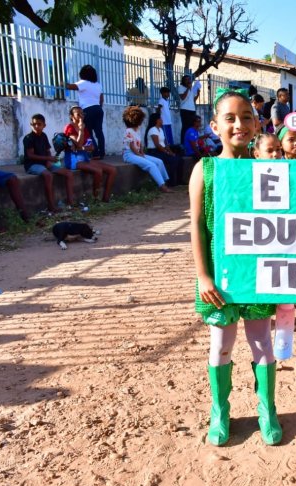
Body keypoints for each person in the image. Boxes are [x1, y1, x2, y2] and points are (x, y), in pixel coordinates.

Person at [189, 89, 283, 447]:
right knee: (221, 346)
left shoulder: (268, 170)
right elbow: (197, 224)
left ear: (257, 123)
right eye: (229, 118)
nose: (239, 124)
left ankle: (267, 408)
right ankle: (220, 410)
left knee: (262, 341)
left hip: (258, 275)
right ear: (215, 126)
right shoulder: (205, 169)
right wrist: (203, 275)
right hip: (220, 278)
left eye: (246, 117)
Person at [64, 106, 117, 202]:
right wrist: (80, 130)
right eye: (78, 114)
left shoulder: (85, 128)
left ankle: (106, 198)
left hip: (84, 157)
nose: (81, 116)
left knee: (112, 170)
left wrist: (82, 146)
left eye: (82, 114)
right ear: (72, 116)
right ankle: (96, 198)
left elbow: (91, 147)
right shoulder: (69, 127)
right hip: (73, 159)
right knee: (98, 171)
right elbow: (80, 144)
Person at [23, 113, 75, 211]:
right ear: (31, 125)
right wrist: (48, 159)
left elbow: (47, 150)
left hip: (44, 163)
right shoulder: (28, 138)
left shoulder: (44, 136)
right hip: (32, 165)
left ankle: (70, 202)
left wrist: (50, 159)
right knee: (48, 175)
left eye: (39, 124)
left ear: (44, 125)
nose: (36, 126)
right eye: (34, 124)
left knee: (69, 173)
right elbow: (30, 155)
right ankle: (51, 206)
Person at [121, 106, 172, 193]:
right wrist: (139, 154)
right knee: (151, 165)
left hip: (137, 153)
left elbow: (139, 143)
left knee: (159, 161)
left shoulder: (137, 130)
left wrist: (141, 152)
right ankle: (162, 186)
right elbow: (132, 146)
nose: (142, 121)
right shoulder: (128, 131)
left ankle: (165, 182)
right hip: (129, 155)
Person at [66, 65, 105, 159]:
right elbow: (101, 99)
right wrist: (98, 107)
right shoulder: (98, 85)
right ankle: (102, 152)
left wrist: (63, 83)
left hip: (87, 109)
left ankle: (95, 153)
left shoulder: (83, 83)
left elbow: (70, 87)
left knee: (89, 132)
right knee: (99, 132)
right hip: (98, 109)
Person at [146, 113, 184, 186]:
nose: (162, 120)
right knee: (173, 160)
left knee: (179, 159)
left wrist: (170, 152)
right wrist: (167, 152)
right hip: (155, 152)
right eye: (161, 119)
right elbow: (157, 145)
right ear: (157, 120)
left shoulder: (160, 129)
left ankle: (179, 181)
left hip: (162, 151)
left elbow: (165, 144)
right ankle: (170, 182)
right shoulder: (153, 130)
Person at [178, 75, 201, 140]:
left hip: (192, 109)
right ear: (183, 81)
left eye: (189, 79)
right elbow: (182, 98)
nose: (188, 81)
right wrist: (188, 88)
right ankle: (183, 142)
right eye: (186, 79)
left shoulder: (191, 88)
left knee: (192, 126)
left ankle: (191, 140)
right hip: (185, 110)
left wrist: (198, 94)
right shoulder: (181, 87)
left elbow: (193, 100)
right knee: (185, 126)